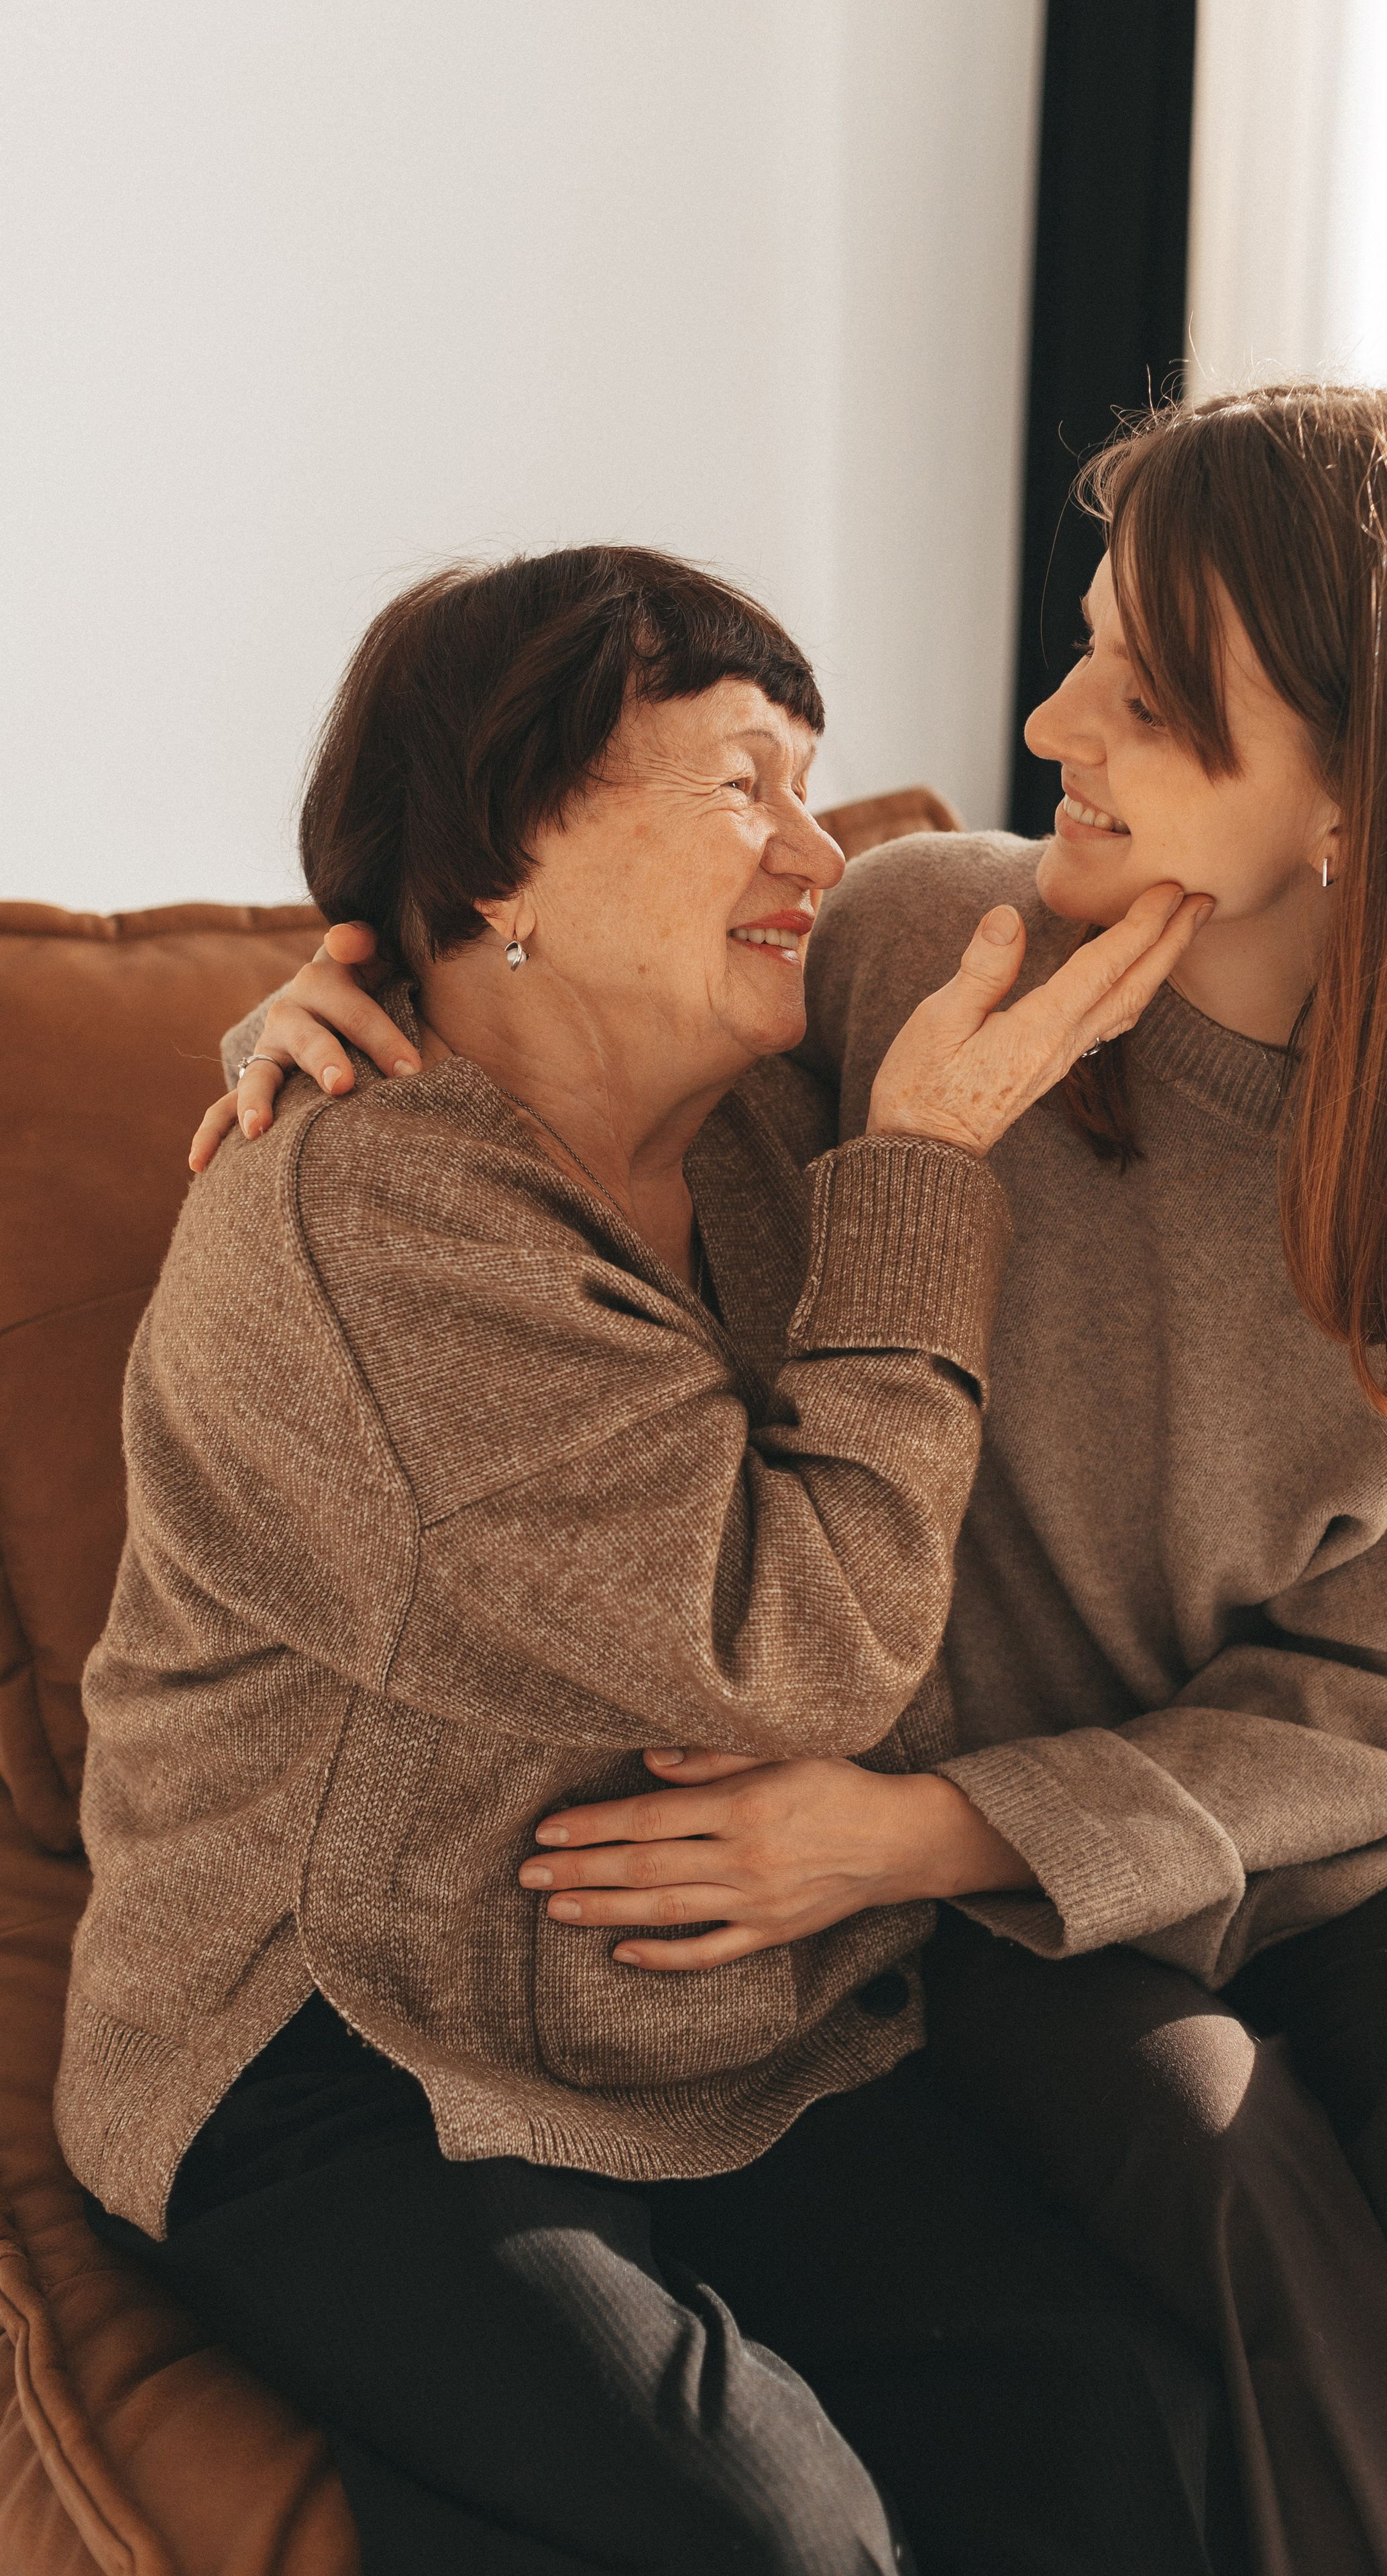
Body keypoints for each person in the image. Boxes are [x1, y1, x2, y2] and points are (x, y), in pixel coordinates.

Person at [223, 388, 1387, 2576]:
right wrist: (330, 987)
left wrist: (913, 1823)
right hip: (1003, 1895)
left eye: (1148, 686)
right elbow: (570, 1008)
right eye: (1087, 635)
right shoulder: (923, 938)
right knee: (1210, 2155)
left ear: (1359, 792)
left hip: (1304, 1836)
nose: (1048, 715)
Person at [65, 545, 1237, 2576]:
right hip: (346, 2043)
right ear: (501, 860)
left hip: (722, 2018)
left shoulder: (768, 1137)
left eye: (813, 780)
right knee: (756, 2537)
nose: (813, 851)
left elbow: (1170, 892)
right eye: (738, 786)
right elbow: (792, 1645)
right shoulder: (370, 1222)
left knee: (1125, 2433)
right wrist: (929, 1183)